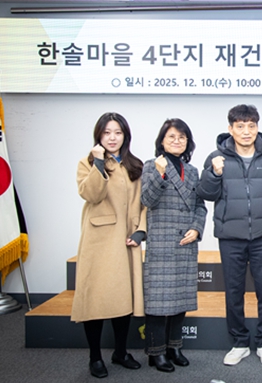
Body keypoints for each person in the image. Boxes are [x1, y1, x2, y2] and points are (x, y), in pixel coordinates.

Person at [197, 104, 262, 367]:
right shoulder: (216, 157)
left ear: (257, 127)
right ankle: (239, 342)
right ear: (230, 129)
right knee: (234, 291)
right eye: (240, 126)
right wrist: (214, 173)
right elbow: (206, 194)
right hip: (230, 236)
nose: (246, 131)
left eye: (251, 125)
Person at [72, 112, 146, 378]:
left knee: (122, 298)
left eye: (118, 132)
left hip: (127, 240)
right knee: (96, 299)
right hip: (99, 241)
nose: (112, 137)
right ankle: (95, 357)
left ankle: (120, 352)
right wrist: (99, 163)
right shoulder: (88, 162)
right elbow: (91, 194)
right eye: (107, 132)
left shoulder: (135, 165)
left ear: (125, 135)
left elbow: (144, 202)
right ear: (99, 136)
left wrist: (141, 230)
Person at [140, 118, 207, 373]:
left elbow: (200, 205)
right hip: (162, 242)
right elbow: (147, 199)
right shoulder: (151, 165)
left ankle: (174, 347)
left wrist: (197, 228)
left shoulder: (192, 171)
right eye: (171, 137)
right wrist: (159, 173)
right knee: (158, 302)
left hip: (186, 242)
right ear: (162, 141)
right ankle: (156, 352)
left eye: (182, 137)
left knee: (181, 299)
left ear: (188, 142)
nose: (177, 141)